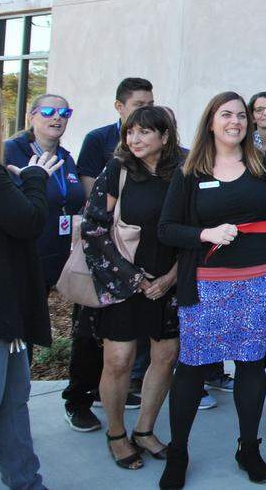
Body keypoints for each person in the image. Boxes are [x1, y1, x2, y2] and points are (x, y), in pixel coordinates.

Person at [157, 91, 266, 488]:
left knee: (252, 366)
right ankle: (178, 452)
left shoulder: (264, 165)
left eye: (241, 115)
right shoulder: (190, 171)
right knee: (193, 369)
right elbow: (167, 229)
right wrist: (206, 233)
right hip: (205, 287)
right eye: (226, 114)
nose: (235, 121)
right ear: (211, 122)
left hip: (258, 283)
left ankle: (248, 447)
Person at [81, 107, 182, 470]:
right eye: (130, 133)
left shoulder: (183, 171)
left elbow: (197, 229)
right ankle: (116, 433)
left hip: (169, 282)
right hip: (123, 281)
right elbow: (94, 227)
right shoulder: (118, 169)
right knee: (119, 360)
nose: (134, 140)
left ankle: (145, 430)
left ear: (165, 137)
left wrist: (171, 277)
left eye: (144, 133)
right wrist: (135, 279)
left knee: (165, 357)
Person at [3, 95, 97, 433]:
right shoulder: (9, 152)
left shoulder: (67, 158)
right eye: (48, 111)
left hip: (67, 260)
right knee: (21, 336)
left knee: (85, 327)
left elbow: (76, 203)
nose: (57, 117)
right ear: (31, 115)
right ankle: (14, 407)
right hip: (25, 260)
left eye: (64, 112)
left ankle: (79, 399)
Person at [0, 78, 59, 490]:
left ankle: (28, 484)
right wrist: (33, 179)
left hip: (5, 315)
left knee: (12, 407)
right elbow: (29, 221)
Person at [77, 77, 154, 195]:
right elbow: (89, 188)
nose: (147, 110)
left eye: (150, 104)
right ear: (119, 106)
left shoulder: (159, 138)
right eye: (139, 105)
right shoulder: (98, 138)